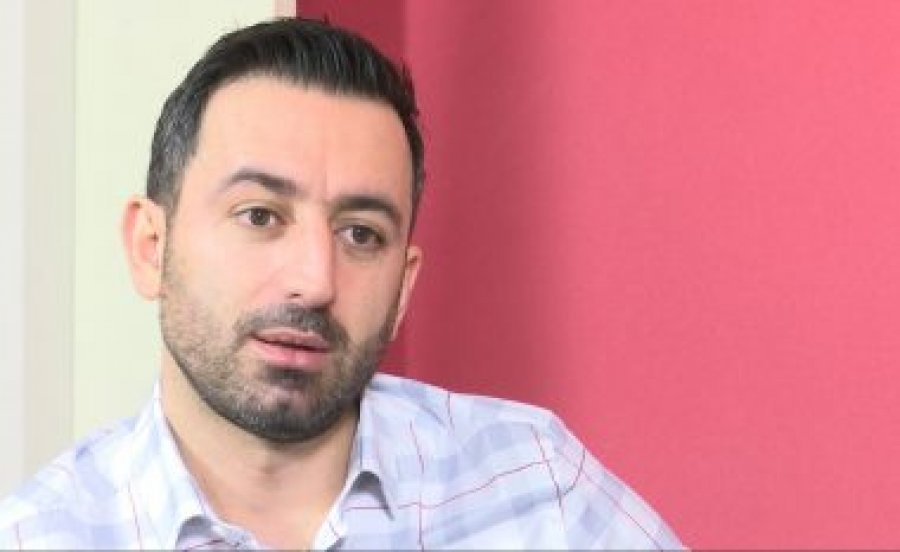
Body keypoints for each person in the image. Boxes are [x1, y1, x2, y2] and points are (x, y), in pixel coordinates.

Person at [0, 18, 682, 550]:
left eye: (361, 234)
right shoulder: (41, 537)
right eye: (260, 216)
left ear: (404, 287)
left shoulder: (536, 487)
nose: (315, 279)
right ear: (151, 248)